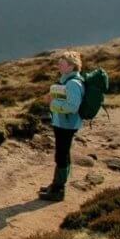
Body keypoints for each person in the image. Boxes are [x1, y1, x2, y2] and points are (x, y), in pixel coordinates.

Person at [39, 51, 84, 202]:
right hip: (63, 123)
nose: (58, 65)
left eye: (62, 63)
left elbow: (72, 106)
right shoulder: (67, 80)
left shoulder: (72, 83)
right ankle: (56, 184)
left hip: (67, 124)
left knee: (61, 154)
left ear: (71, 66)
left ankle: (59, 190)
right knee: (63, 153)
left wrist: (52, 104)